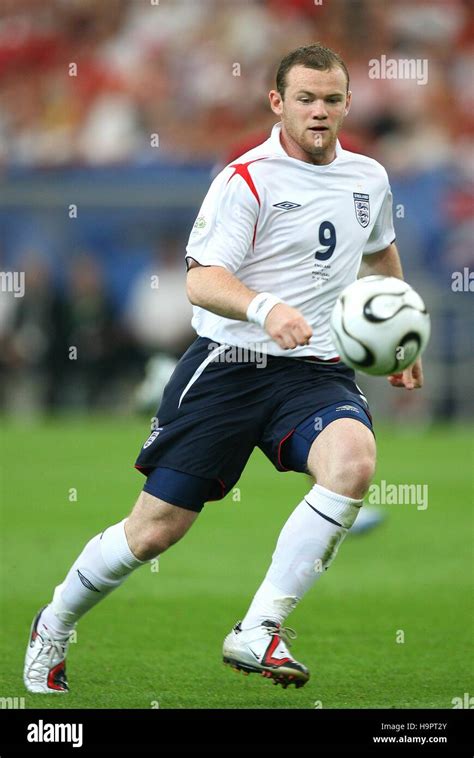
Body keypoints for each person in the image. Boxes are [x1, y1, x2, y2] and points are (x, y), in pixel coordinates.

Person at [24, 43, 423, 694]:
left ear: (348, 103)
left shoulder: (368, 180)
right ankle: (56, 621)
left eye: (331, 99)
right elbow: (202, 279)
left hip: (315, 369)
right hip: (228, 365)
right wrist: (264, 309)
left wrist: (403, 342)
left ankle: (260, 626)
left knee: (353, 462)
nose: (319, 111)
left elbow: (380, 257)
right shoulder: (247, 179)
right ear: (277, 103)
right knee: (154, 532)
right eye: (305, 99)